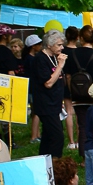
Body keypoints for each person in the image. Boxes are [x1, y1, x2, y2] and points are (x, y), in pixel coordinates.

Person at [26, 29, 69, 159]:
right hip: (46, 104)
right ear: (49, 45)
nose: (62, 48)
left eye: (62, 45)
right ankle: (56, 165)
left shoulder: (53, 58)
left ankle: (43, 162)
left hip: (54, 103)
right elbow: (48, 83)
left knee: (48, 136)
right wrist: (60, 66)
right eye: (59, 45)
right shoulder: (41, 59)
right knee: (57, 137)